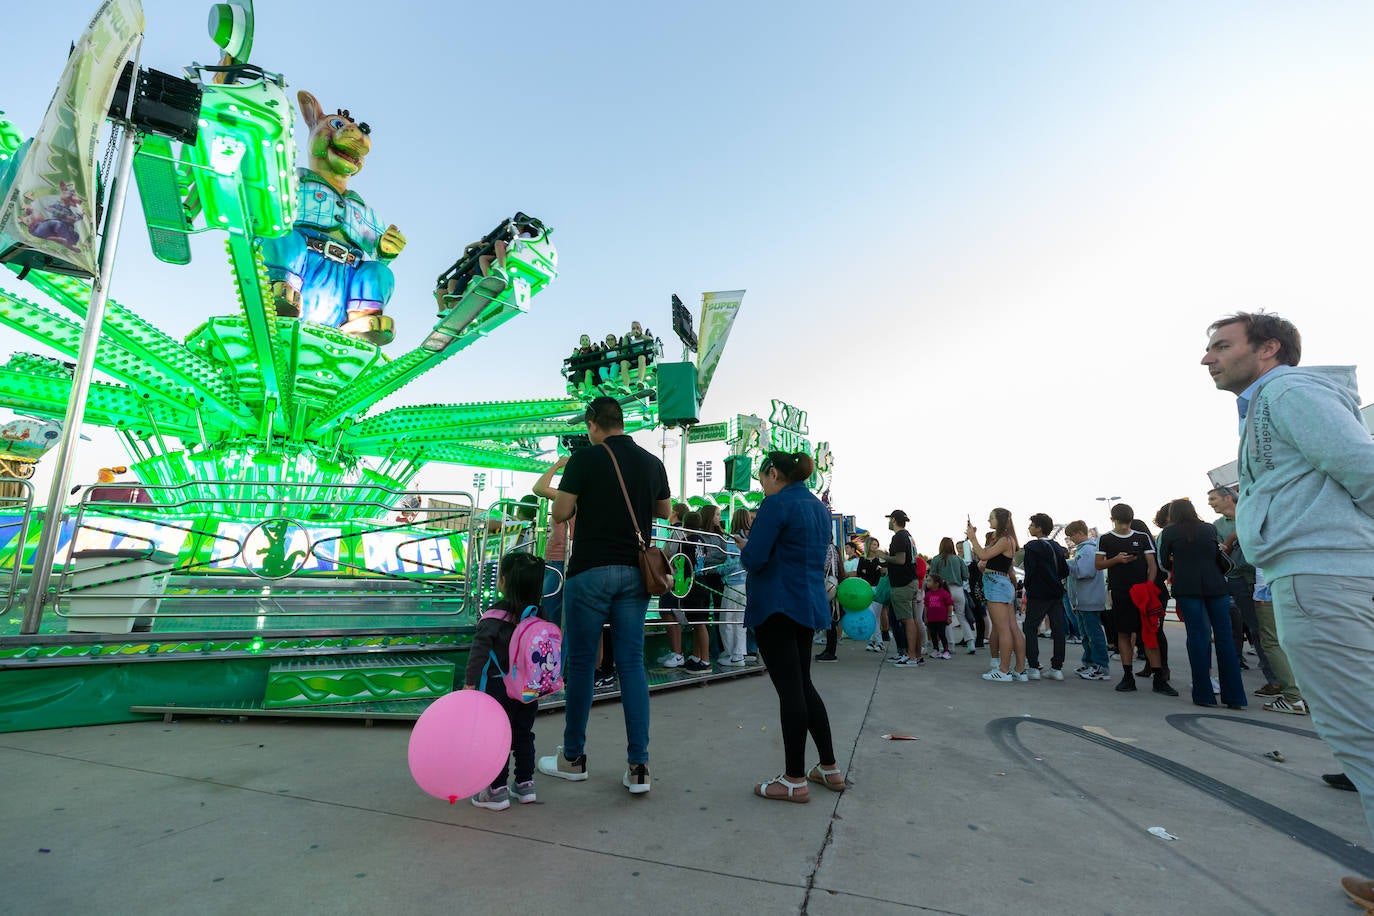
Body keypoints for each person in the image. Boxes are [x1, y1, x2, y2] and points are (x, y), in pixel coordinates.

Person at [1201, 311, 1374, 908]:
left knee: (1359, 732)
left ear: (1269, 349)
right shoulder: (1271, 400)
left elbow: (1363, 466)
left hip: (1319, 575)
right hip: (1316, 572)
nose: (1208, 359)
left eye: (1222, 346)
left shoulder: (1288, 391)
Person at [537, 397, 671, 796]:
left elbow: (561, 512)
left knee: (580, 665)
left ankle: (573, 758)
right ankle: (639, 766)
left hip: (590, 572)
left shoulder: (585, 459)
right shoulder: (651, 462)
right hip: (635, 573)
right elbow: (663, 510)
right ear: (622, 421)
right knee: (631, 664)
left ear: (594, 423)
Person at [741, 451, 844, 802]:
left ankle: (794, 778)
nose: (762, 486)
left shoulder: (776, 504)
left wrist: (745, 546)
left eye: (762, 479)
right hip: (807, 602)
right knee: (803, 684)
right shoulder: (817, 507)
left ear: (773, 473)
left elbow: (755, 557)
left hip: (776, 604)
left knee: (790, 691)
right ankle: (828, 767)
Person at [464, 551, 548, 810]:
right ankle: (525, 784)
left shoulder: (494, 617)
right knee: (523, 734)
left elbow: (479, 652)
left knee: (497, 735)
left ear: (503, 582)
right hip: (529, 688)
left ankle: (496, 790)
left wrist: (469, 683)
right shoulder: (540, 615)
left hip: (498, 686)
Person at [1156, 498, 1245, 709]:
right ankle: (1234, 697)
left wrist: (1176, 561)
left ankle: (1204, 694)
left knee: (1198, 638)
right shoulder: (1208, 529)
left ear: (1173, 514)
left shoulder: (1169, 533)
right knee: (1225, 639)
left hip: (1188, 588)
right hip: (1217, 587)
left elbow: (1162, 564)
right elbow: (1216, 555)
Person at [1096, 504, 1177, 696]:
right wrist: (1116, 560)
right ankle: (1127, 676)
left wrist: (1149, 587)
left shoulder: (1142, 537)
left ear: (1131, 520)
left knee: (1150, 633)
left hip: (1142, 593)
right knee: (1123, 634)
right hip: (1120, 592)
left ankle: (1159, 677)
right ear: (1112, 520)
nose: (1124, 526)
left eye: (1127, 522)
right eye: (1120, 522)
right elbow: (1098, 565)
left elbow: (1152, 565)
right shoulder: (1105, 538)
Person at [1207, 485, 1279, 690]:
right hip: (1239, 580)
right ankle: (1273, 679)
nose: (1210, 504)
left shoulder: (1253, 513)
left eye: (1213, 499)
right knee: (1256, 629)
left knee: (1277, 628)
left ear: (1228, 498)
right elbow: (1221, 555)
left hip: (1266, 576)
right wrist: (1232, 538)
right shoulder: (1217, 526)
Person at [967, 508, 1025, 682]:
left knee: (1003, 629)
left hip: (996, 584)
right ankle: (1020, 669)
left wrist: (972, 537)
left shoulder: (1005, 540)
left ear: (1000, 520)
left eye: (991, 517)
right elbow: (984, 556)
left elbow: (983, 555)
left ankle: (1003, 670)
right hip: (1001, 583)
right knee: (1012, 628)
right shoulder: (1005, 539)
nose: (988, 520)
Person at [1021, 512, 1069, 680]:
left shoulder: (1032, 547)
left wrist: (1029, 587)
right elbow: (1065, 571)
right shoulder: (1057, 546)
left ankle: (1033, 666)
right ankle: (1057, 668)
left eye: (1032, 525)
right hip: (1056, 593)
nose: (1029, 528)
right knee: (1058, 629)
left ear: (1039, 528)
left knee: (1030, 627)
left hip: (1038, 593)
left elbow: (1030, 571)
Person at [1064, 520, 1111, 680]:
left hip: (1089, 598)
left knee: (1094, 633)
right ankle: (1090, 662)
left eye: (1071, 536)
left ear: (1079, 533)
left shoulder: (1088, 551)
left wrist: (1068, 566)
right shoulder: (1084, 550)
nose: (1071, 539)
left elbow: (1085, 572)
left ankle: (1101, 666)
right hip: (1083, 599)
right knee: (1086, 634)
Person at [876, 509, 923, 668]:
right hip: (910, 581)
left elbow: (900, 559)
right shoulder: (908, 536)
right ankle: (914, 654)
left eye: (890, 519)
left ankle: (911, 656)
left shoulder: (899, 537)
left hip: (902, 584)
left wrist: (883, 555)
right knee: (913, 619)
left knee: (907, 620)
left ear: (894, 520)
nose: (889, 522)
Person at [531, 456, 572, 629]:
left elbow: (539, 488)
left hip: (562, 559)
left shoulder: (575, 498)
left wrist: (557, 465)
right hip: (558, 558)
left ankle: (552, 649)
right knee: (555, 609)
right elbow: (539, 488)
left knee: (551, 609)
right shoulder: (570, 496)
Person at [718, 508, 751, 667]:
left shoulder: (733, 539)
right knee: (740, 621)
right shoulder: (751, 538)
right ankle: (739, 654)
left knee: (727, 621)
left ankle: (731, 654)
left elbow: (729, 565)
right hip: (746, 584)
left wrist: (716, 569)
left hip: (732, 584)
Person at [929, 537, 971, 651]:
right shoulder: (958, 559)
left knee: (945, 618)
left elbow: (932, 577)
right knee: (961, 617)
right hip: (958, 589)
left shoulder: (936, 559)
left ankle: (950, 645)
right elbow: (966, 575)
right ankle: (970, 642)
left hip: (944, 591)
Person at [857, 537, 886, 652]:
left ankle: (876, 642)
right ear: (869, 545)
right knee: (871, 615)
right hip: (865, 589)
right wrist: (871, 571)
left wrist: (869, 571)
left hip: (877, 589)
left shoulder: (880, 559)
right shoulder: (862, 559)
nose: (875, 547)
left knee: (876, 616)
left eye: (877, 544)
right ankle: (875, 641)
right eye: (874, 544)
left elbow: (882, 573)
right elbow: (859, 572)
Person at [924, 574, 953, 658]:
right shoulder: (928, 594)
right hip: (931, 619)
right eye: (927, 580)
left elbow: (950, 605)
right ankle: (936, 650)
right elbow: (926, 606)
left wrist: (949, 616)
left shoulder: (944, 593)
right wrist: (925, 617)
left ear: (936, 584)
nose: (927, 582)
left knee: (942, 634)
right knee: (933, 635)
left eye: (929, 581)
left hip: (941, 619)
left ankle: (946, 650)